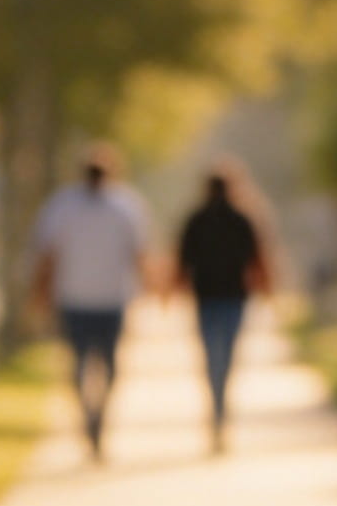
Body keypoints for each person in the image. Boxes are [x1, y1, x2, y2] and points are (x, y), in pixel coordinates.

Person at [25, 147, 154, 461]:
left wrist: (39, 294)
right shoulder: (70, 205)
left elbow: (139, 254)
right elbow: (48, 255)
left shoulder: (122, 206)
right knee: (87, 364)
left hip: (101, 299)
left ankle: (96, 416)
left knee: (99, 365)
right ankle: (90, 416)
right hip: (84, 299)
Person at [162, 158, 285, 450]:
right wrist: (269, 292)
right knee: (226, 357)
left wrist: (170, 293)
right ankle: (220, 409)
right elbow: (258, 261)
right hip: (233, 299)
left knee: (211, 357)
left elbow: (182, 261)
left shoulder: (196, 219)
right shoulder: (242, 219)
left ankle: (217, 408)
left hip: (206, 298)